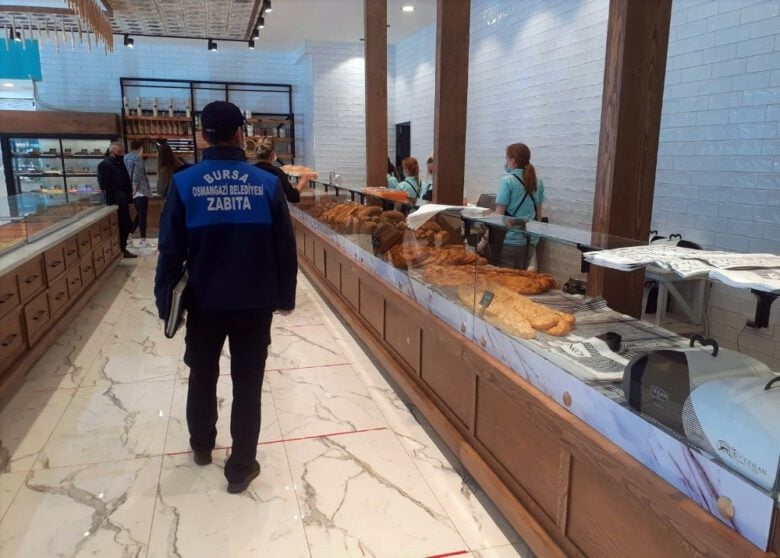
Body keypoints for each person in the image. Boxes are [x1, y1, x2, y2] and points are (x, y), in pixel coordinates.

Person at [154, 101, 297, 494]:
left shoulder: (185, 183)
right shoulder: (266, 183)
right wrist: (286, 297)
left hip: (204, 301)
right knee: (247, 384)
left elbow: (170, 249)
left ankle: (202, 446)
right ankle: (240, 467)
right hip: (255, 302)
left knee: (202, 375)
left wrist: (166, 302)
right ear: (239, 134)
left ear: (203, 135)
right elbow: (285, 247)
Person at [492, 143, 544, 270]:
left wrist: (485, 237)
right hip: (529, 241)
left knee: (506, 279)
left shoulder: (507, 181)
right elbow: (539, 215)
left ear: (513, 160)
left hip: (509, 240)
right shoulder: (538, 182)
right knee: (522, 278)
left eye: (506, 158)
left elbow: (499, 215)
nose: (506, 162)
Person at [97, 142, 136, 258]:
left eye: (123, 152)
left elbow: (126, 181)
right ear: (111, 152)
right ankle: (118, 250)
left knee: (127, 225)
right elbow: (104, 185)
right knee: (119, 226)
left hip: (124, 200)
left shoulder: (120, 163)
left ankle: (122, 248)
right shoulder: (104, 165)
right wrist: (113, 200)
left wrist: (130, 200)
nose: (122, 154)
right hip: (114, 202)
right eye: (119, 152)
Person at [254, 136, 312, 203]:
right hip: (271, 209)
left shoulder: (251, 171)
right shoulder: (276, 172)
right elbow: (292, 197)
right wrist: (303, 181)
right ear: (272, 153)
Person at [124, 140, 152, 246]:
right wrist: (135, 188)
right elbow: (138, 174)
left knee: (140, 214)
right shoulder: (138, 158)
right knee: (142, 215)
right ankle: (143, 240)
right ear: (140, 148)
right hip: (140, 190)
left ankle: (129, 235)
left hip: (130, 189)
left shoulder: (126, 157)